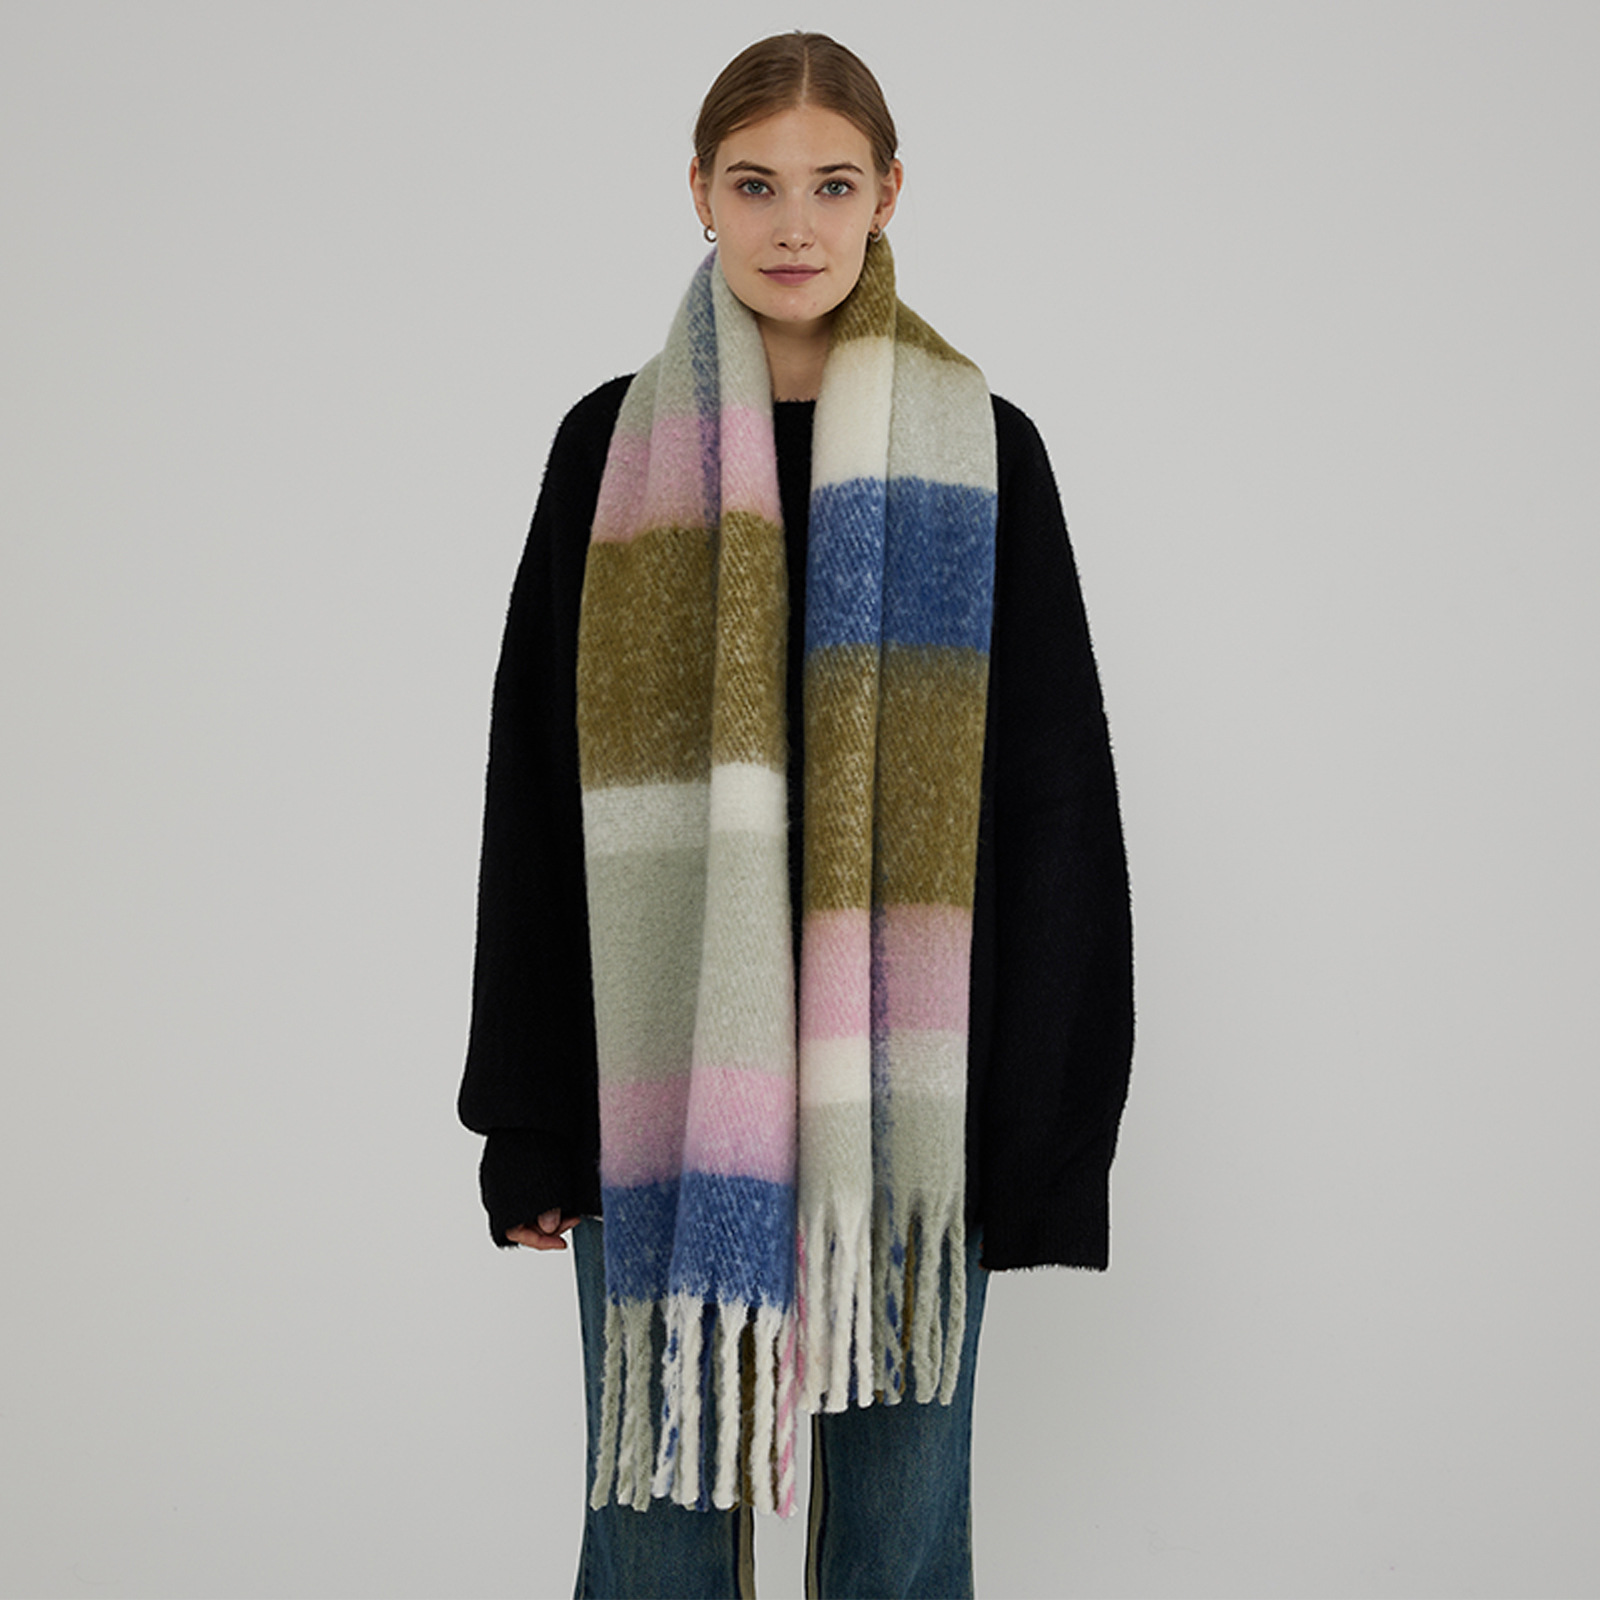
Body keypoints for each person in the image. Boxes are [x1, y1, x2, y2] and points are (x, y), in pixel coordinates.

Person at [458, 31, 1133, 1600]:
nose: (794, 224)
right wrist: (530, 1122)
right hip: (659, 1090)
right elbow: (536, 789)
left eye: (832, 185)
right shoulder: (609, 451)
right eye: (756, 185)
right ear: (699, 192)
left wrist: (1046, 1131)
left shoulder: (986, 453)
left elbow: (1052, 802)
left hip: (912, 1118)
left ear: (890, 193)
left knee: (902, 1543)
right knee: (653, 1534)